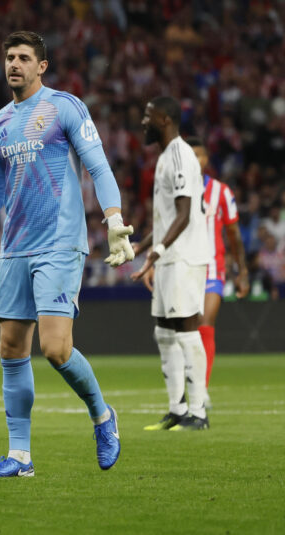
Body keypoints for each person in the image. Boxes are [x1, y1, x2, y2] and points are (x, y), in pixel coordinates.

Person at [0, 31, 134, 477]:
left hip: (59, 241)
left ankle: (102, 415)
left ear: (41, 66)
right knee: (12, 349)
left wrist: (113, 220)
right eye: (9, 56)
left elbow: (98, 165)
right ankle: (19, 457)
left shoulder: (64, 107)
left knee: (54, 349)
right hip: (14, 248)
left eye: (24, 58)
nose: (14, 64)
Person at [131, 96, 210, 432]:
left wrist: (157, 251)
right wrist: (143, 246)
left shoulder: (179, 156)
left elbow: (184, 214)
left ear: (164, 119)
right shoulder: (166, 156)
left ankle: (199, 413)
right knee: (164, 331)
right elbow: (166, 220)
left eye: (149, 117)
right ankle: (177, 409)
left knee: (186, 330)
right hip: (168, 256)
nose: (144, 122)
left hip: (184, 257)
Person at [186, 137, 249, 395]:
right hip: (184, 267)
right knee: (185, 329)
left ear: (206, 160)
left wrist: (242, 270)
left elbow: (233, 234)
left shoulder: (221, 192)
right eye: (190, 155)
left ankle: (202, 390)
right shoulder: (175, 191)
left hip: (213, 266)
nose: (195, 160)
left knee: (205, 320)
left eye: (199, 155)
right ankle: (187, 385)